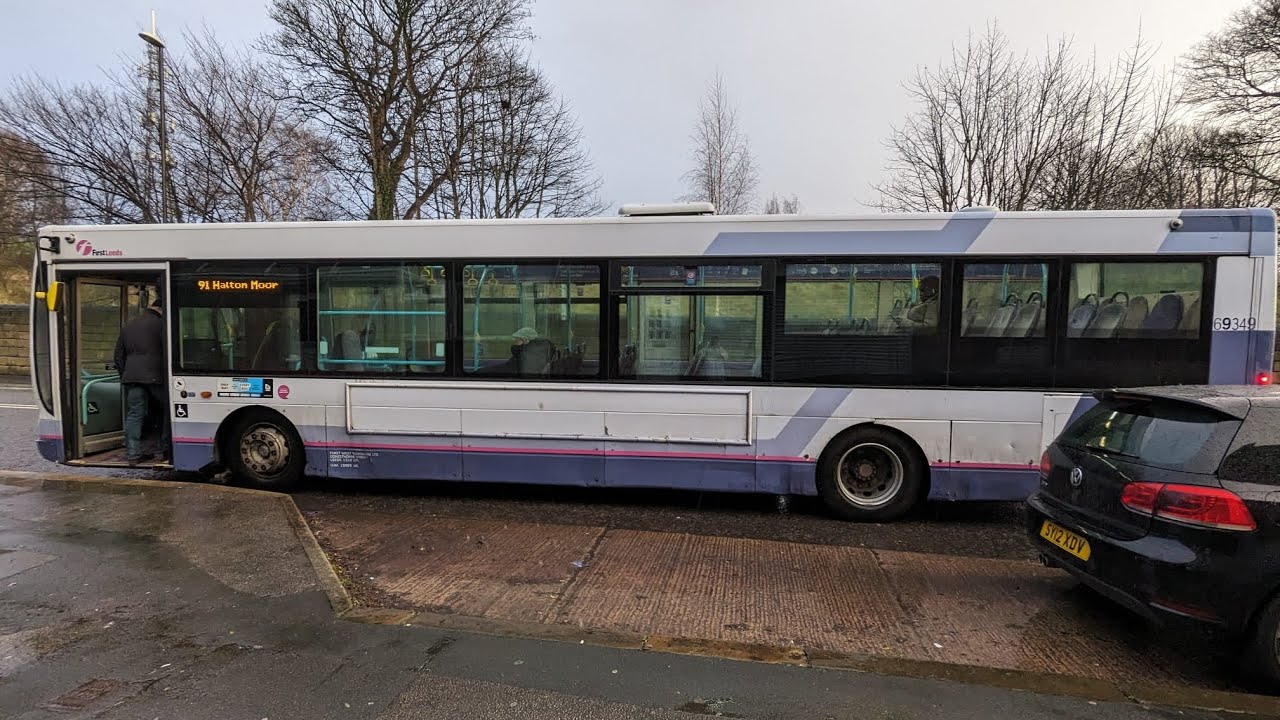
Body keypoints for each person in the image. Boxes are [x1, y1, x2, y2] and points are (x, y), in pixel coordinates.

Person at [114, 299, 170, 464]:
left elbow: (118, 355)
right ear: (161, 309)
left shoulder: (129, 325)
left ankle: (133, 454)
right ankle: (165, 449)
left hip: (132, 377)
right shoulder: (161, 324)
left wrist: (125, 374)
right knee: (167, 410)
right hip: (156, 376)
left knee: (135, 414)